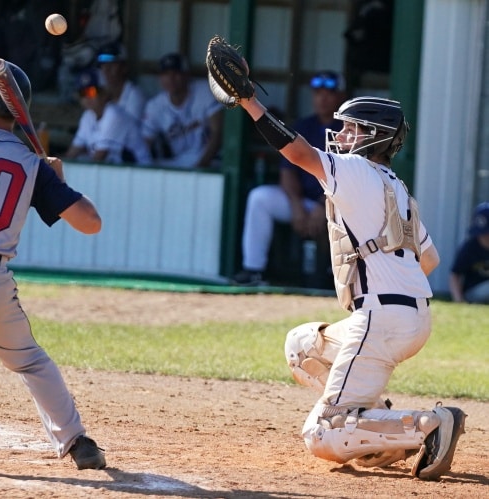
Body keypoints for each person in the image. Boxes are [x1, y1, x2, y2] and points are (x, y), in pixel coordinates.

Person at [207, 48, 466, 480]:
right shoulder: (396, 186)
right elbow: (430, 259)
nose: (340, 134)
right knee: (303, 346)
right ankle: (376, 429)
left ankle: (428, 425)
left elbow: (298, 153)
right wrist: (394, 291)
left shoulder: (357, 170)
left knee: (321, 435)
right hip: (409, 315)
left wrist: (250, 102)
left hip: (382, 318)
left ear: (372, 136)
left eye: (349, 128)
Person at [0, 59, 105, 469]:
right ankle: (77, 442)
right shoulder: (31, 164)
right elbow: (91, 223)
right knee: (31, 361)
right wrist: (57, 181)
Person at [234, 71, 346, 286]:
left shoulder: (348, 130)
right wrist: (296, 206)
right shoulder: (303, 126)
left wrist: (325, 205)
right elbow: (288, 171)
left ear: (341, 96)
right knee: (260, 198)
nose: (322, 98)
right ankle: (253, 270)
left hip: (336, 203)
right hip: (303, 202)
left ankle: (339, 279)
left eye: (329, 93)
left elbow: (350, 178)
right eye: (318, 93)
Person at [142, 53, 224, 168]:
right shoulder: (155, 106)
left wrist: (201, 166)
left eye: (176, 73)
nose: (171, 79)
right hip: (179, 162)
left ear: (186, 75)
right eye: (165, 74)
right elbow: (144, 143)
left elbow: (218, 132)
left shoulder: (205, 91)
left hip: (211, 161)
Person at [65, 68, 152, 165]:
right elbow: (73, 151)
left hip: (139, 170)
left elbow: (100, 156)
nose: (87, 98)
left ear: (104, 93)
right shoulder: (87, 116)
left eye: (91, 92)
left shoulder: (114, 114)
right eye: (82, 93)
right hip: (116, 169)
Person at [449, 202, 489, 304]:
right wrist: (459, 300)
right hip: (473, 293)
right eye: (482, 233)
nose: (484, 237)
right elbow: (455, 275)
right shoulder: (470, 247)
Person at [97, 42, 147, 122]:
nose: (106, 69)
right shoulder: (101, 94)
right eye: (103, 65)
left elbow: (128, 127)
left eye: (112, 64)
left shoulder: (135, 96)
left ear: (124, 67)